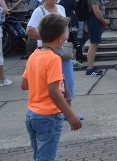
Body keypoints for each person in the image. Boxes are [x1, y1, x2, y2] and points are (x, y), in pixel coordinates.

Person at [22, 13, 82, 161]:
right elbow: (54, 92)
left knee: (39, 156)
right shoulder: (54, 59)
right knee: (46, 158)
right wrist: (71, 115)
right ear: (61, 37)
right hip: (48, 116)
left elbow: (24, 85)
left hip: (32, 114)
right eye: (67, 31)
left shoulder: (34, 55)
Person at [26, 0, 76, 106]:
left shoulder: (61, 8)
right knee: (53, 83)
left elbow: (65, 25)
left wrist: (66, 35)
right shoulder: (39, 11)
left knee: (68, 81)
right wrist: (49, 38)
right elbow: (29, 30)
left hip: (62, 50)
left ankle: (67, 109)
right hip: (47, 51)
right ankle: (54, 108)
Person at [84, 0, 109, 76]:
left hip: (94, 20)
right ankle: (90, 69)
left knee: (94, 44)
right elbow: (96, 10)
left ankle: (91, 67)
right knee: (94, 44)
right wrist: (104, 21)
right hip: (94, 20)